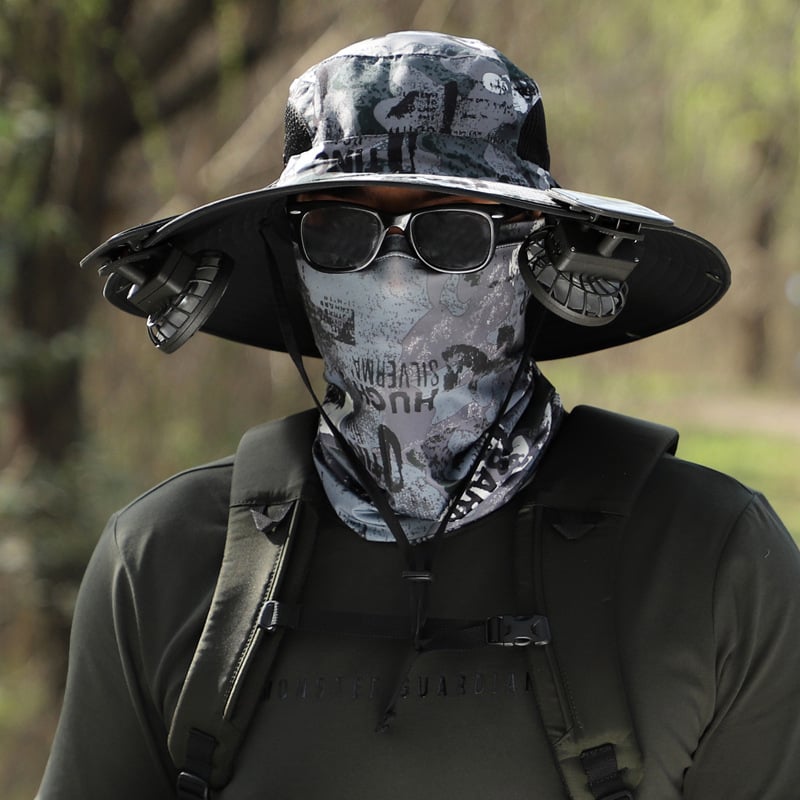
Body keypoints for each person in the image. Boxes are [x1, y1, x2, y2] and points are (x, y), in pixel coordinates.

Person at [38, 31, 800, 800]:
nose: (395, 281)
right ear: (294, 261)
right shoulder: (163, 560)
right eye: (339, 229)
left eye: (454, 230)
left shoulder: (712, 563)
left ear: (539, 260)